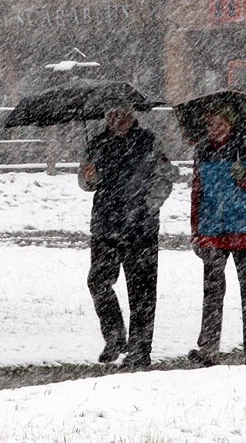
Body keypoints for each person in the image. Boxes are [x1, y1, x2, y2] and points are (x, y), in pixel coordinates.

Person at [78, 104, 176, 368]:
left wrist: (148, 205)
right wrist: (89, 178)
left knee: (142, 291)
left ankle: (140, 349)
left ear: (131, 115)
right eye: (111, 115)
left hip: (140, 228)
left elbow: (166, 176)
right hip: (105, 225)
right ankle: (114, 337)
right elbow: (86, 182)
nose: (116, 119)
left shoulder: (148, 142)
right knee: (98, 282)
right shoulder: (96, 144)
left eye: (120, 114)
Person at [189, 105, 246, 365]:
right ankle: (208, 348)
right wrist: (196, 230)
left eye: (220, 123)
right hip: (213, 231)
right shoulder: (202, 150)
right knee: (212, 291)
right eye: (210, 124)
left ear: (231, 123)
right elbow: (197, 193)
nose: (214, 129)